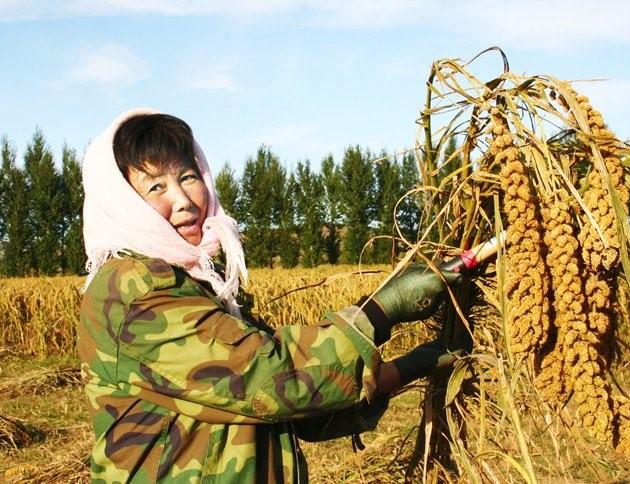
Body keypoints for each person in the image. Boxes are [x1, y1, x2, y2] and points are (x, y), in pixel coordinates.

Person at [78, 108, 464, 483]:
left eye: (188, 176)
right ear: (122, 204)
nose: (184, 200)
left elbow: (299, 406)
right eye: (156, 186)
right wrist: (381, 310)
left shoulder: (199, 285)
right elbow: (267, 377)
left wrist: (411, 366)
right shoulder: (133, 289)